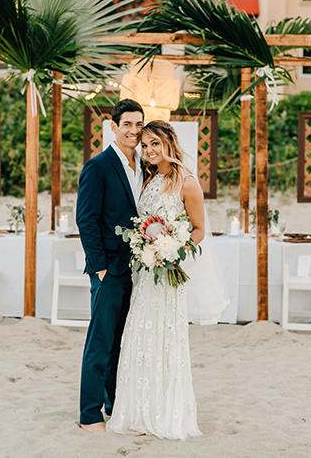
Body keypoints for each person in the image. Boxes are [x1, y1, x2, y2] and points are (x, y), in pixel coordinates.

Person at [107, 120, 220, 440]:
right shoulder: (148, 179)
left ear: (169, 142)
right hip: (144, 274)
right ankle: (136, 411)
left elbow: (198, 229)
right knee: (138, 335)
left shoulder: (187, 182)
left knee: (164, 338)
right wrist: (148, 249)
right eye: (144, 145)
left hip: (168, 275)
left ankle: (164, 411)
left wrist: (173, 251)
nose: (148, 150)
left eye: (154, 143)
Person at [75, 99, 145, 433]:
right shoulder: (98, 166)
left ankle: (114, 405)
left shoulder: (143, 166)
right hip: (109, 270)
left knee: (123, 342)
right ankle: (89, 414)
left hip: (138, 269)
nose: (134, 131)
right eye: (127, 124)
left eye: (139, 125)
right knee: (100, 342)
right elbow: (86, 220)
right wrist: (99, 267)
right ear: (113, 126)